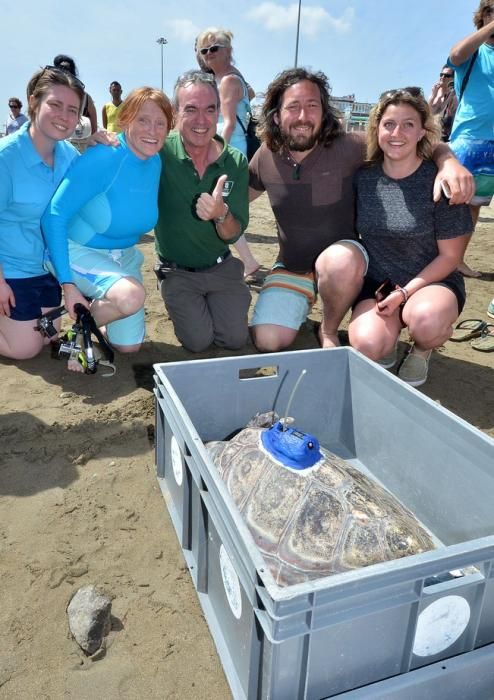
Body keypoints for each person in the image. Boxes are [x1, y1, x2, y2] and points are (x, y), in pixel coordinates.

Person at [248, 68, 475, 353]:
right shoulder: (265, 155)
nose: (303, 116)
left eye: (312, 106)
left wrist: (448, 161)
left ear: (324, 112)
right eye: (293, 107)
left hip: (344, 265)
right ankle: (306, 306)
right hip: (294, 266)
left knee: (339, 263)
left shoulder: (350, 147)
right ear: (277, 115)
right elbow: (239, 197)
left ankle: (328, 329)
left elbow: (408, 141)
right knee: (268, 341)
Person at [348, 89, 473, 387]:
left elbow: (450, 257)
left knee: (426, 321)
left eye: (408, 124)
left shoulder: (442, 181)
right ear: (376, 129)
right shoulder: (363, 178)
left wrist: (405, 293)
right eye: (389, 124)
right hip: (380, 284)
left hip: (432, 281)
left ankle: (422, 350)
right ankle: (387, 337)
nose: (397, 133)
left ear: (421, 132)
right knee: (366, 344)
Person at [41, 87, 172, 362]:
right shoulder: (104, 156)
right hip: (75, 251)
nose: (152, 130)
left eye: (161, 123)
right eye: (143, 120)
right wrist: (68, 285)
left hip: (122, 257)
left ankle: (95, 310)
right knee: (131, 297)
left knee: (128, 346)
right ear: (125, 120)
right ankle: (76, 336)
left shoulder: (155, 160)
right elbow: (53, 216)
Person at [154, 70, 251, 353]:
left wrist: (221, 214)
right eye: (191, 109)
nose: (201, 120)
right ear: (175, 114)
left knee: (234, 340)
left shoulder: (235, 162)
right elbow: (126, 146)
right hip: (177, 272)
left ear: (219, 112)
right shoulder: (160, 152)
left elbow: (233, 235)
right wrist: (104, 139)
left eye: (210, 110)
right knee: (198, 342)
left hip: (221, 265)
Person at [0, 67, 84, 360]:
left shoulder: (70, 156)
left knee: (51, 337)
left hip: (46, 269)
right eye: (55, 105)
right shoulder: (6, 158)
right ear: (34, 102)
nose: (65, 115)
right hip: (9, 269)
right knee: (25, 349)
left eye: (73, 110)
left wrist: (104, 146)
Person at [195, 27, 260, 278]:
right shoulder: (232, 77)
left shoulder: (228, 80)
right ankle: (247, 260)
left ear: (228, 52)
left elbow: (229, 122)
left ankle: (248, 261)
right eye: (204, 50)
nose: (209, 54)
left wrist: (218, 153)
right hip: (232, 145)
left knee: (221, 204)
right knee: (223, 204)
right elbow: (250, 94)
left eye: (214, 49)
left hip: (229, 145)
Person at [448, 0, 494, 278]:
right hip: (468, 139)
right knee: (453, 203)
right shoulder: (473, 54)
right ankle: (438, 258)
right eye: (491, 11)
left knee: (475, 206)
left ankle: (458, 260)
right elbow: (455, 54)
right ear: (482, 17)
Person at [53, 54, 98, 133]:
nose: (64, 72)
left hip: (77, 142)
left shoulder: (85, 98)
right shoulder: (48, 94)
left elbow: (94, 129)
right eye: (60, 68)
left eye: (67, 68)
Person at [427, 65, 457, 141]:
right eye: (441, 74)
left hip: (448, 139)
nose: (442, 77)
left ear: (453, 79)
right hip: (433, 138)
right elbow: (428, 114)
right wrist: (433, 96)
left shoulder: (455, 96)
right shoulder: (434, 94)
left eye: (447, 75)